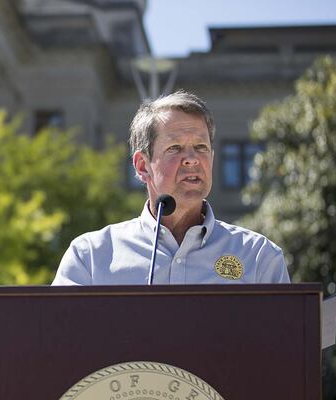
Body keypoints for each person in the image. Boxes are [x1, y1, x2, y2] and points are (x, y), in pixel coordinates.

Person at [53, 90, 290, 285]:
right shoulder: (90, 257)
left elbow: (285, 340)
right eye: (175, 148)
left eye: (201, 147)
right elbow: (59, 339)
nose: (192, 159)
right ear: (142, 166)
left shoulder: (259, 257)